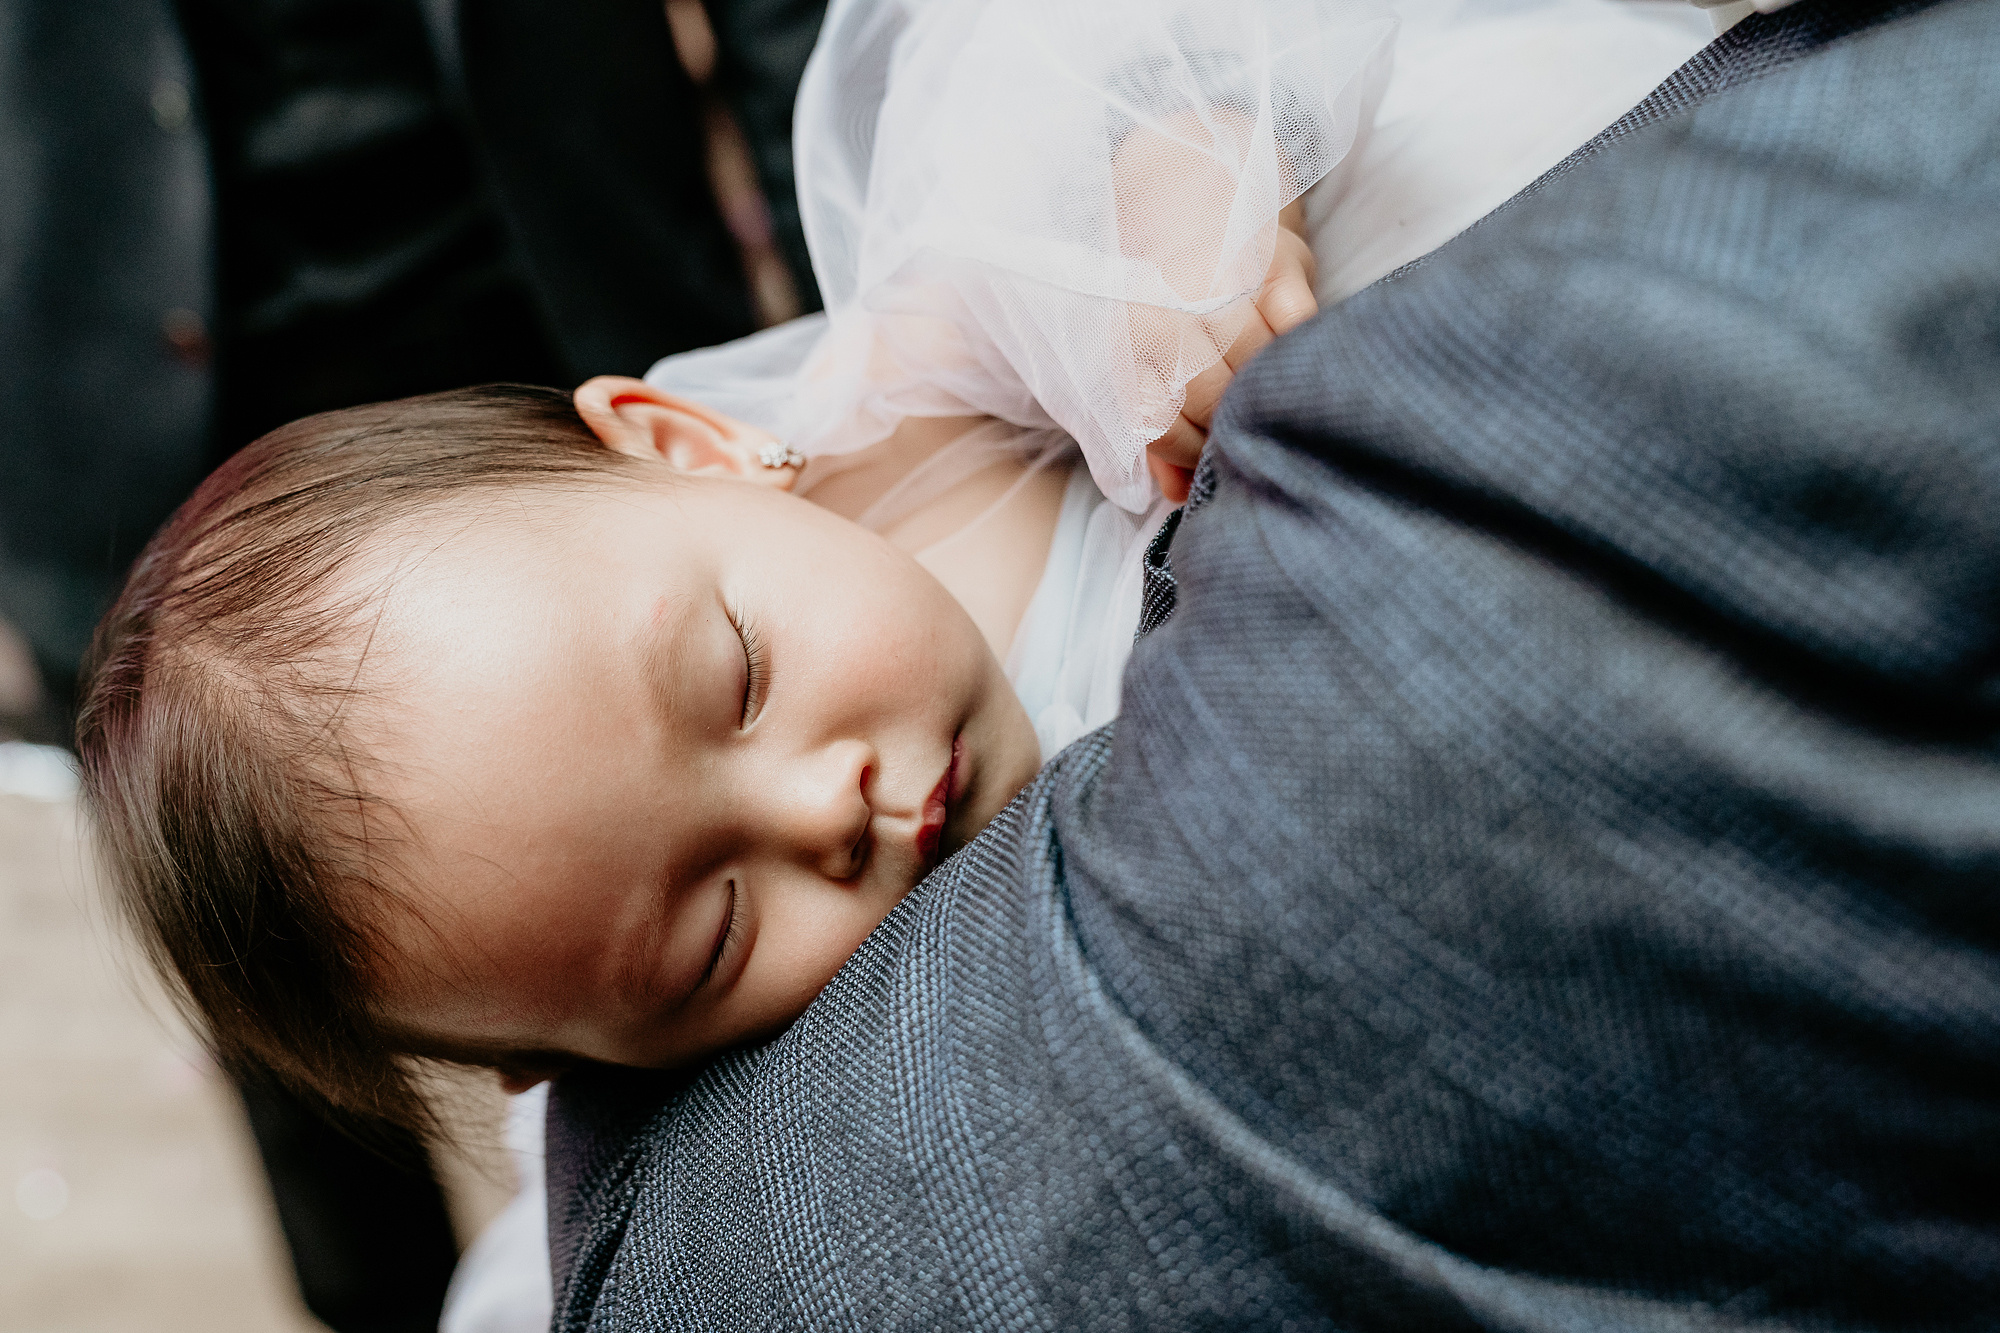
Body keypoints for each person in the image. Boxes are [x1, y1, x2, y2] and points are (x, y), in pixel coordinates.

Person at [532, 0, 2000, 1326]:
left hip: (1512, 224)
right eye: (715, 930)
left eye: (737, 679)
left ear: (690, 447)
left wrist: (1168, 201)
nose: (823, 808)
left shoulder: (901, 420)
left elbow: (1026, 80)